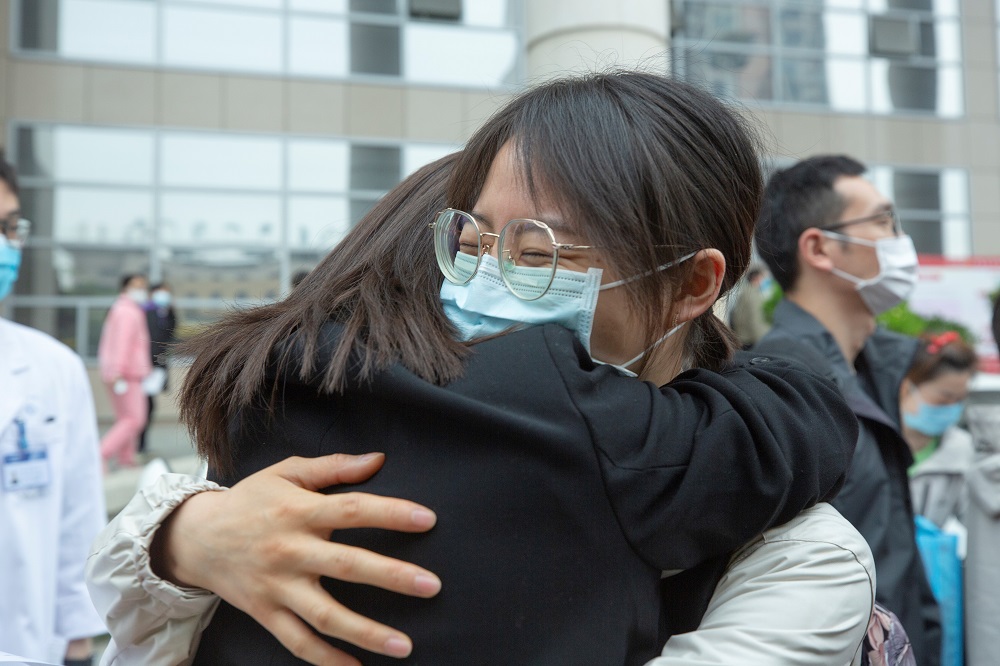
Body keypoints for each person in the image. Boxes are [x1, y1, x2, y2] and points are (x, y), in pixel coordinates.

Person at [89, 73, 872, 665]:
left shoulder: (803, 555)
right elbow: (795, 423)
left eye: (538, 253)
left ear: (692, 285)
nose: (484, 280)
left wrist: (179, 537)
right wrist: (186, 537)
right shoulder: (561, 414)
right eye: (469, 244)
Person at [753, 154, 941, 665]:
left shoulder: (876, 369)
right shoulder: (781, 388)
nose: (899, 241)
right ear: (819, 248)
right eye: (883, 222)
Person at [0, 154, 107, 664]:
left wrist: (78, 639)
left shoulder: (53, 368)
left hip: (29, 642)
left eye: (9, 227)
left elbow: (78, 516)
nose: (4, 246)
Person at [902, 331, 977, 527]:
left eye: (959, 400)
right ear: (906, 388)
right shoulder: (868, 443)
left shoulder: (964, 451)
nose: (951, 408)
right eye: (943, 399)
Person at [97, 273, 152, 469]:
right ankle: (100, 454)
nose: (141, 290)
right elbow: (122, 344)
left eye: (143, 286)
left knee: (126, 418)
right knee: (134, 419)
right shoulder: (127, 312)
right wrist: (118, 370)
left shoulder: (124, 309)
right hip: (125, 374)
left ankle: (126, 459)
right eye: (136, 286)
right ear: (125, 288)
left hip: (124, 373)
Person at [138, 282, 177, 455]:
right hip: (144, 366)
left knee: (149, 406)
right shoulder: (144, 312)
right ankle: (138, 445)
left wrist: (170, 312)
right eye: (162, 292)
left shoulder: (165, 312)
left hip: (156, 366)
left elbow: (170, 334)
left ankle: (141, 445)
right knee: (143, 406)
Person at [728, 265, 771, 348]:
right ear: (756, 278)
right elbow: (755, 320)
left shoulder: (746, 291)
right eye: (763, 277)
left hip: (743, 337)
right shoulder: (753, 295)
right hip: (751, 340)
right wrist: (764, 342)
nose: (764, 280)